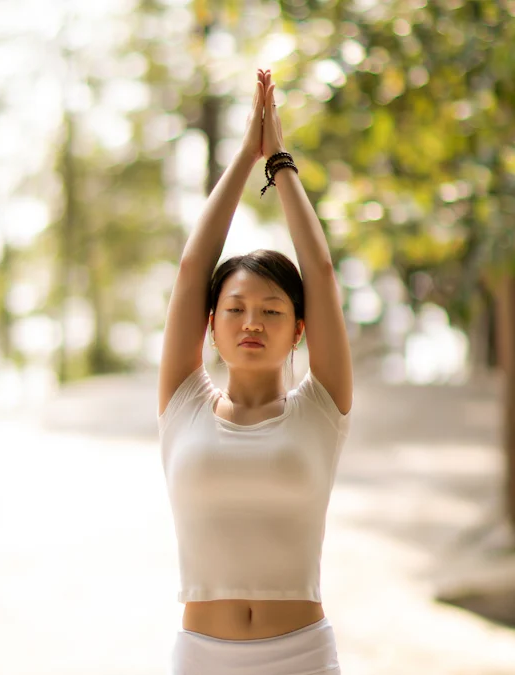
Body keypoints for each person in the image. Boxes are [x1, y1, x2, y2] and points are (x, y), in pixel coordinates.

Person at [156, 68, 353, 674]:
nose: (252, 322)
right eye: (235, 309)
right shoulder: (182, 403)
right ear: (210, 324)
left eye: (272, 310)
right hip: (201, 657)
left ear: (300, 328)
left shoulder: (324, 408)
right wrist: (245, 154)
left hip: (302, 657)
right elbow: (193, 267)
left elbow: (319, 271)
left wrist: (281, 164)